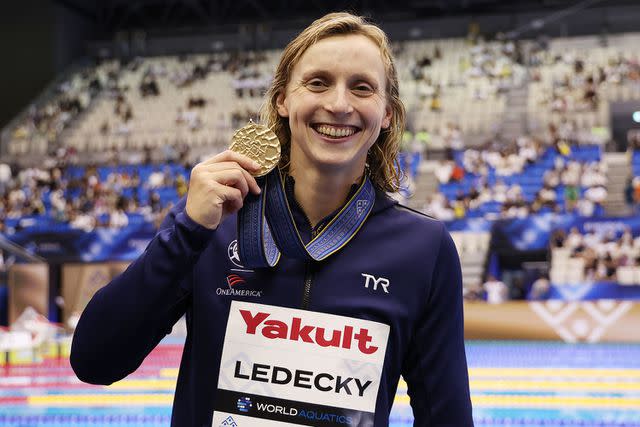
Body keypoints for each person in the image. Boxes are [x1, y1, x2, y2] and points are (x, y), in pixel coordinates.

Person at [70, 12, 473, 426]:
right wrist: (186, 233)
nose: (338, 104)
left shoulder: (424, 248)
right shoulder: (213, 221)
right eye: (317, 82)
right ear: (283, 100)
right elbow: (95, 361)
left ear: (387, 112)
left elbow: (448, 416)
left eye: (362, 88)